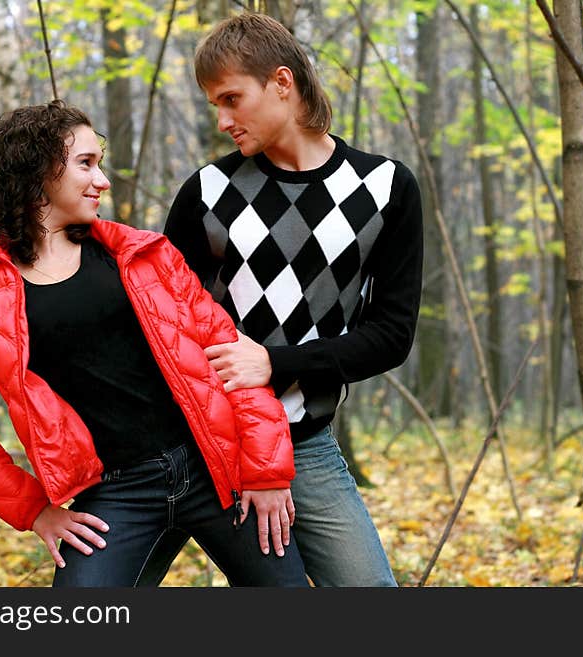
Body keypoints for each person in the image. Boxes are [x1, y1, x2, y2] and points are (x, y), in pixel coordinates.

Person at [0, 100, 308, 587]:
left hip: (214, 468)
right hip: (116, 495)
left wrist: (266, 472)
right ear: (37, 171)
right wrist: (34, 509)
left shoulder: (143, 255)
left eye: (98, 164)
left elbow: (231, 357)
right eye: (86, 164)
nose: (102, 180)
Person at [160, 12, 423, 587]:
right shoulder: (209, 192)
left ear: (283, 83)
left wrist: (274, 365)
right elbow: (164, 322)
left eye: (232, 98)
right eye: (215, 106)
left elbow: (391, 336)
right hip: (195, 443)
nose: (224, 120)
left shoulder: (384, 189)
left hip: (304, 444)